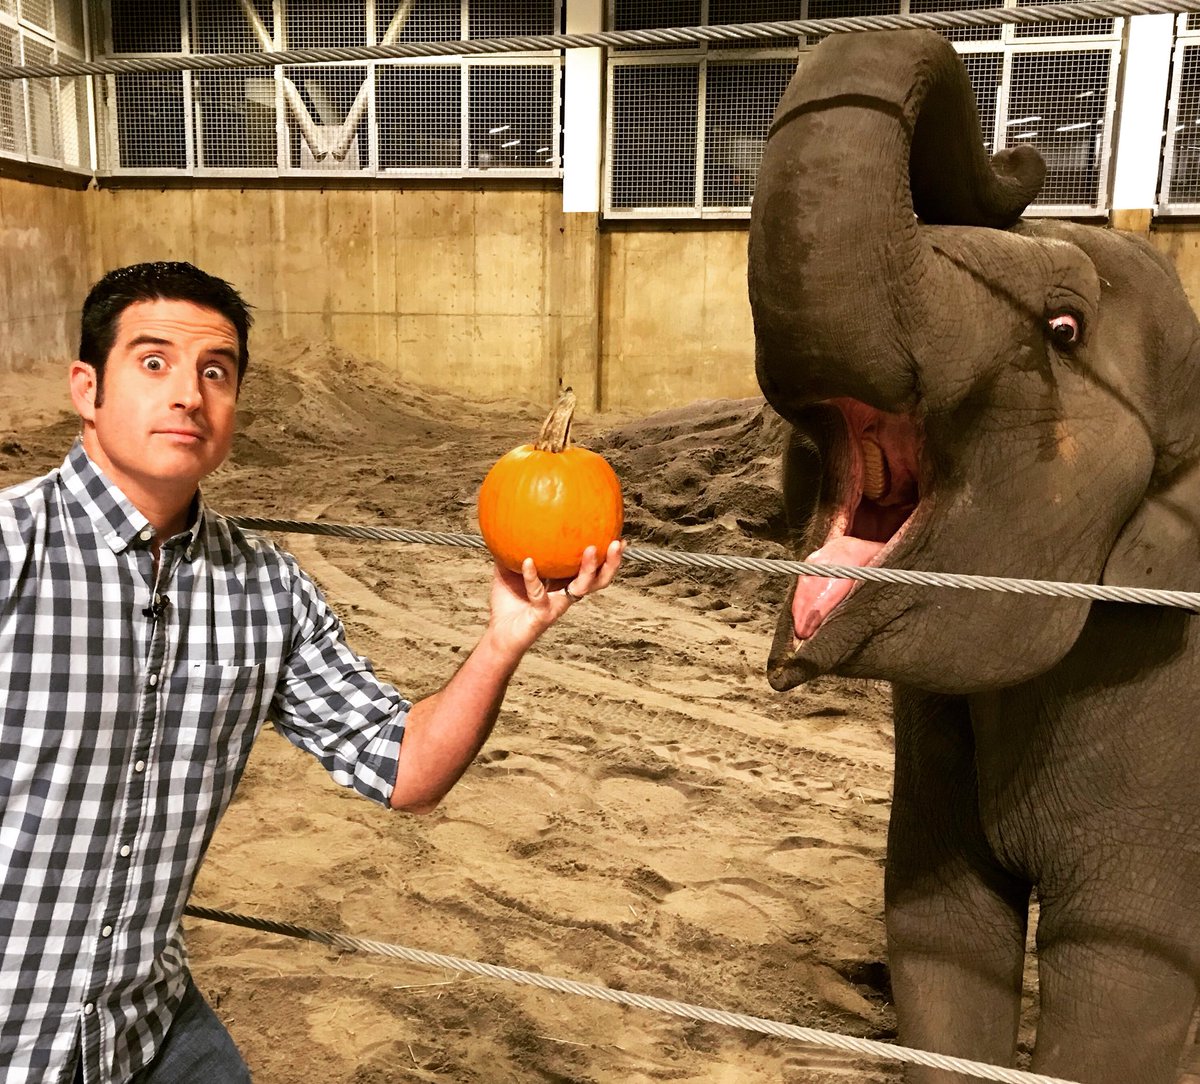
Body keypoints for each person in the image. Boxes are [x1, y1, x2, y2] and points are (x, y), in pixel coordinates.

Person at [0, 261, 624, 1084]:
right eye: (153, 363)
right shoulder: (13, 550)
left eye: (214, 372)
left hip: (144, 1025)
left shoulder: (267, 590)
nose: (188, 393)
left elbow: (405, 770)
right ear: (88, 389)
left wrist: (504, 638)